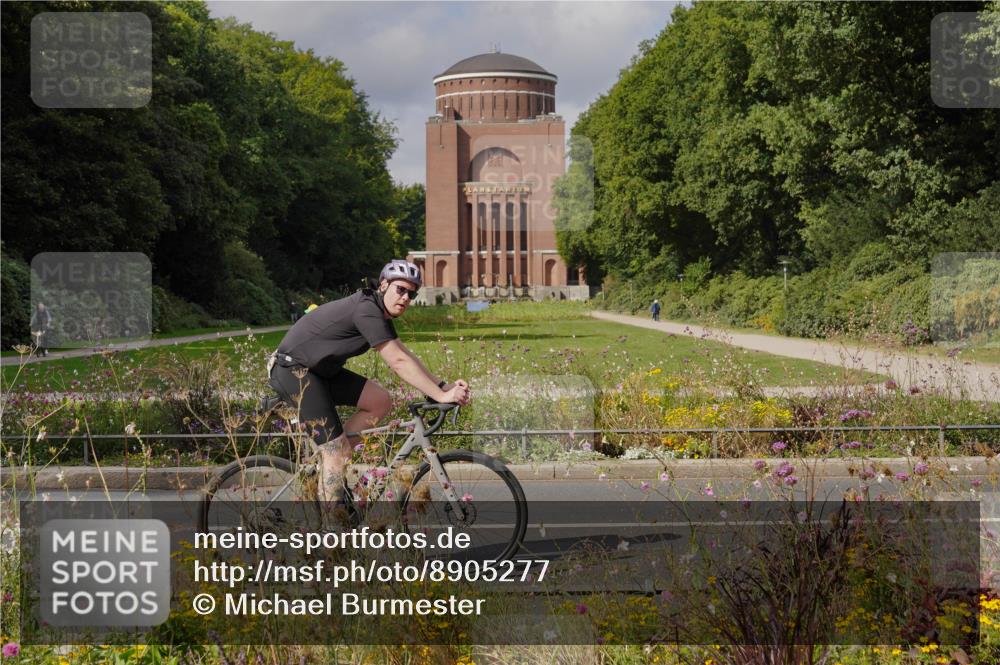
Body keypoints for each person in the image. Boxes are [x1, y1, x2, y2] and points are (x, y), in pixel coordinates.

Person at [267, 259, 470, 507]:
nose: (405, 298)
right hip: (293, 371)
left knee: (380, 401)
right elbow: (397, 362)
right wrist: (441, 397)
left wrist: (441, 386)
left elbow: (404, 354)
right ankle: (333, 526)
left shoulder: (377, 311)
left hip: (320, 372)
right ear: (383, 285)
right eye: (400, 289)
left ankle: (332, 465)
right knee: (335, 451)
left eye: (411, 294)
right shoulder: (367, 309)